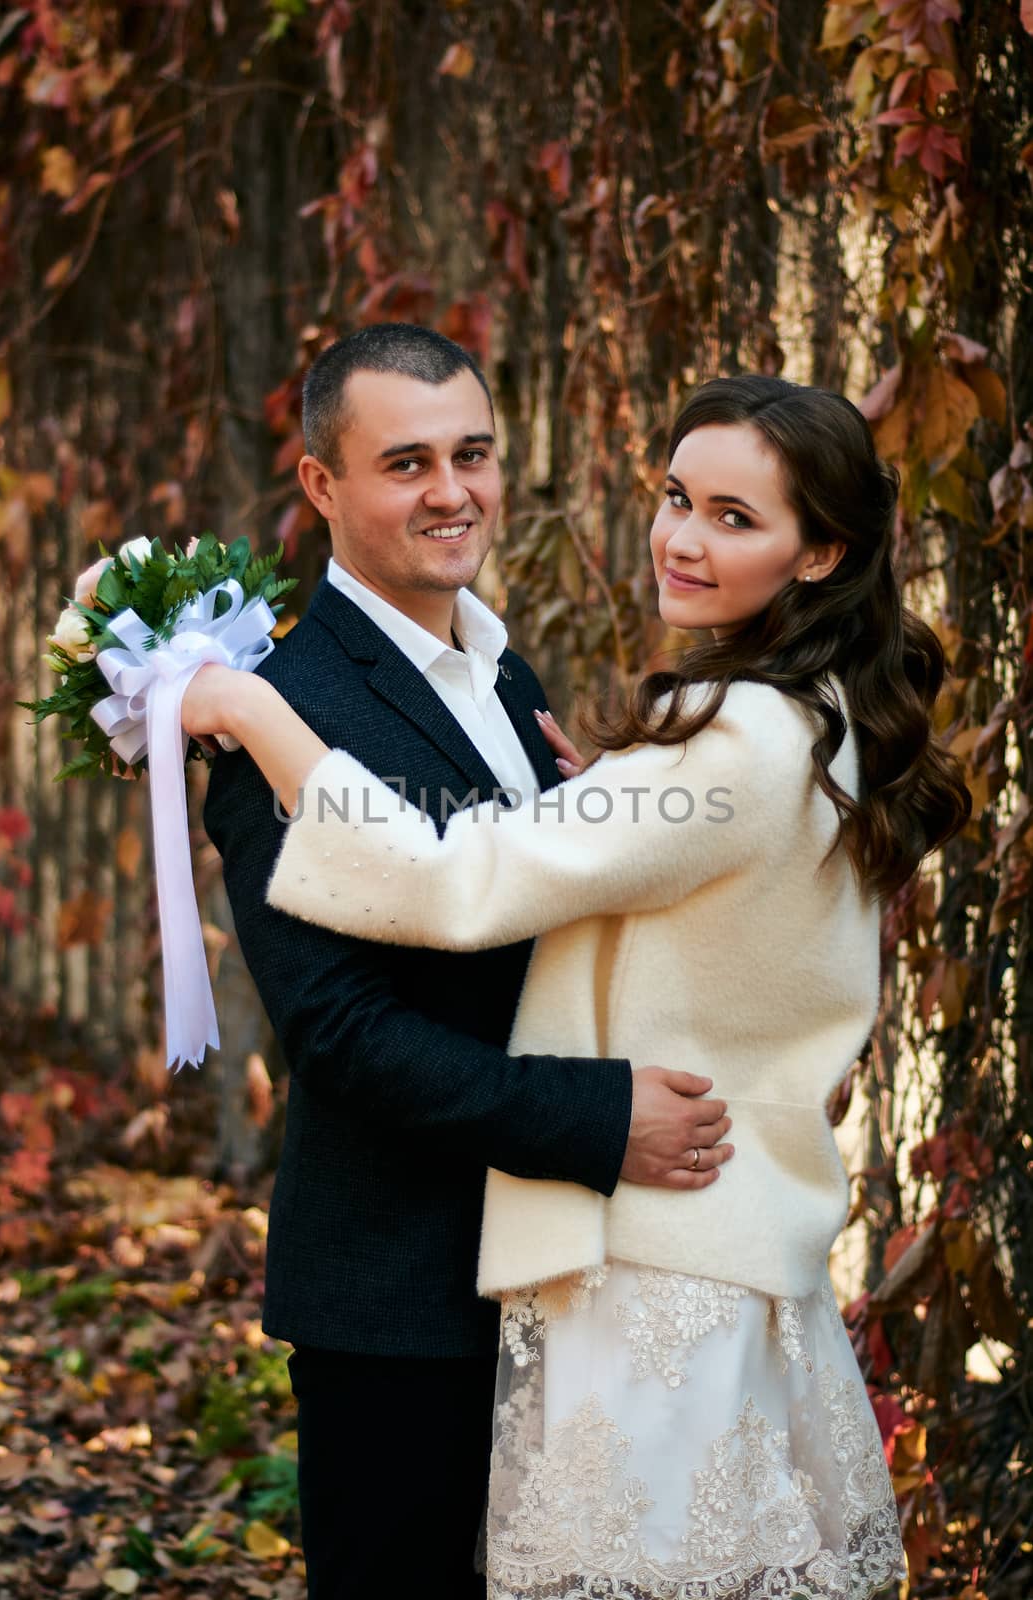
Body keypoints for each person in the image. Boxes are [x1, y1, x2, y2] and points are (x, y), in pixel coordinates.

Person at [185, 373, 971, 1600]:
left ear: (819, 552)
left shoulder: (713, 733)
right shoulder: (807, 717)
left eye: (732, 516)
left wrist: (246, 708)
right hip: (495, 1272)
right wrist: (613, 803)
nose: (681, 537)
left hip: (659, 1256)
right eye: (673, 499)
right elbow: (337, 1028)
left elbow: (450, 884)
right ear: (320, 486)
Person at [201, 324, 734, 1600]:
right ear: (323, 486)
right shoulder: (280, 714)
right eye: (407, 463)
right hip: (400, 1297)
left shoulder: (501, 670)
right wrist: (599, 1121)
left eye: (472, 454)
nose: (452, 492)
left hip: (554, 1274)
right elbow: (342, 1034)